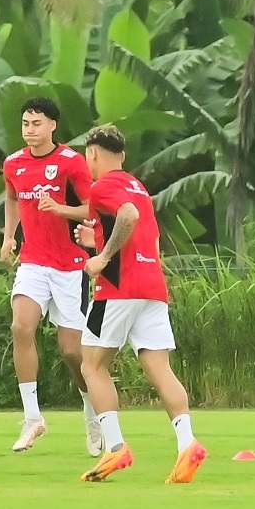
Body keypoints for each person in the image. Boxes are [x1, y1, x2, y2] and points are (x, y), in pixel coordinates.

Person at [76, 124, 204, 485]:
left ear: (93, 154)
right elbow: (150, 234)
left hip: (118, 288)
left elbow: (127, 217)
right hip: (152, 287)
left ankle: (115, 446)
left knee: (91, 365)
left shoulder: (102, 187)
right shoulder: (138, 187)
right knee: (160, 369)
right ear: (123, 156)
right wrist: (95, 238)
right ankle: (187, 443)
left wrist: (100, 256)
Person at [0, 96, 97, 454]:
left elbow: (93, 207)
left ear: (53, 125)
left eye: (37, 123)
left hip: (70, 266)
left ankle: (90, 411)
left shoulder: (71, 163)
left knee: (72, 351)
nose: (30, 130)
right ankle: (32, 417)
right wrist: (10, 236)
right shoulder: (13, 164)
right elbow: (12, 198)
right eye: (25, 123)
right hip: (33, 262)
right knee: (21, 326)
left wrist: (61, 209)